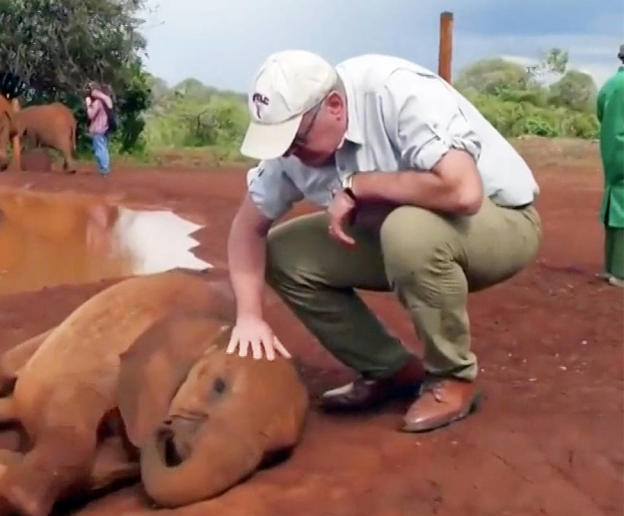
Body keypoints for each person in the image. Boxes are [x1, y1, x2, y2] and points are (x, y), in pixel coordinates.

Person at [224, 50, 541, 433]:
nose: (289, 152)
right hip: (396, 231)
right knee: (283, 253)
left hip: (500, 220)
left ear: (335, 106)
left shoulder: (396, 92)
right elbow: (247, 230)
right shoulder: (291, 148)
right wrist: (249, 317)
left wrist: (362, 185)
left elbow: (464, 192)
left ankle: (453, 377)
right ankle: (390, 369)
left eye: (295, 139)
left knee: (407, 231)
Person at [597, 45, 624, 287]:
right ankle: (621, 271)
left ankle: (611, 267)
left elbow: (600, 112)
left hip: (614, 155)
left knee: (615, 205)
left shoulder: (611, 84)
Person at [84, 82, 114, 176]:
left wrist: (88, 104)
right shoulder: (105, 100)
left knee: (100, 150)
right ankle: (104, 169)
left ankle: (104, 170)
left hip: (98, 129)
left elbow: (90, 115)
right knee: (103, 148)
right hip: (105, 128)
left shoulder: (98, 102)